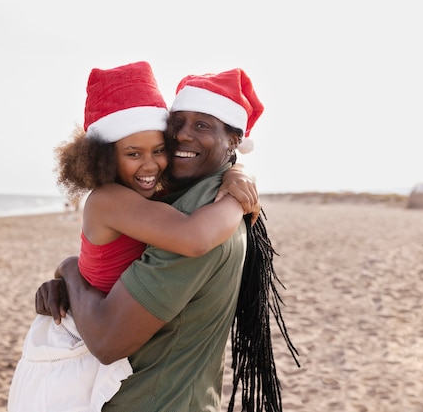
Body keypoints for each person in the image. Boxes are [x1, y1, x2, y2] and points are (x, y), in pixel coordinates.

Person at [37, 68, 298, 412]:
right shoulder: (177, 201)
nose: (182, 137)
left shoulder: (201, 209)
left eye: (202, 125)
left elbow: (107, 340)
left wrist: (239, 181)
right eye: (176, 125)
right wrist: (70, 272)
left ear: (235, 140)